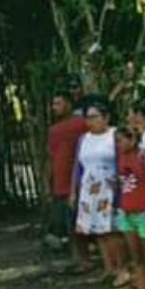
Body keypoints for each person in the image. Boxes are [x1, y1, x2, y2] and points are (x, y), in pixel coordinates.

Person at [73, 100, 127, 283]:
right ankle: (108, 268)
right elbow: (78, 167)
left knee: (111, 230)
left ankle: (122, 269)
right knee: (97, 230)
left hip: (110, 188)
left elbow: (123, 159)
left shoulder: (114, 135)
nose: (90, 121)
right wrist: (75, 191)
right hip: (89, 189)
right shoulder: (83, 139)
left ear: (106, 118)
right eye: (87, 118)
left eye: (94, 117)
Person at [115, 127, 145, 289]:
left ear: (132, 139)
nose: (117, 145)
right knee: (136, 258)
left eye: (120, 140)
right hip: (127, 214)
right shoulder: (121, 157)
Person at [46, 91, 88, 252]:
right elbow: (51, 157)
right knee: (67, 223)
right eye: (53, 104)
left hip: (78, 181)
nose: (54, 107)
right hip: (60, 182)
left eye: (58, 103)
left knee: (81, 222)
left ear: (69, 104)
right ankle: (78, 256)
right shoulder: (53, 130)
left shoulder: (81, 124)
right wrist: (49, 182)